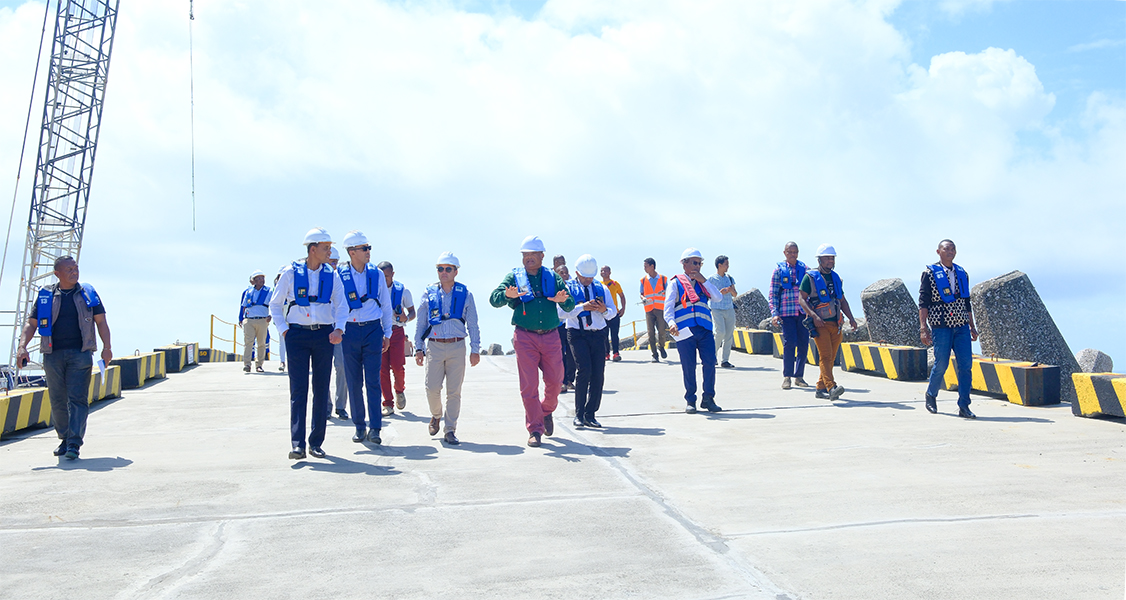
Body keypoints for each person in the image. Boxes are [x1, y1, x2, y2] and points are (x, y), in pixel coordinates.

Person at [17, 256, 112, 459]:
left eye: (76, 268)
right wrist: (22, 346)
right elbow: (32, 323)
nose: (74, 271)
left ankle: (74, 443)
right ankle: (64, 438)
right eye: (68, 269)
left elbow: (101, 322)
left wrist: (107, 348)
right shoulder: (46, 295)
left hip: (81, 354)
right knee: (57, 399)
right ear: (57, 273)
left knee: (77, 399)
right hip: (52, 355)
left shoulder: (87, 293)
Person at [268, 227, 348, 460]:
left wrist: (339, 329)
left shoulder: (331, 275)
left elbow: (341, 305)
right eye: (325, 248)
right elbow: (275, 304)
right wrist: (284, 332)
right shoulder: (290, 273)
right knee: (298, 390)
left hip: (324, 335)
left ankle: (316, 442)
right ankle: (297, 444)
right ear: (312, 250)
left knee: (321, 388)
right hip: (297, 336)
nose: (329, 252)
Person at [490, 235, 574, 448]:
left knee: (556, 382)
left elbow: (570, 303)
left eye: (532, 255)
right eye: (525, 255)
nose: (528, 258)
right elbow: (494, 298)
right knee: (529, 386)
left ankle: (546, 411)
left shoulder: (552, 277)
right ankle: (535, 429)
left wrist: (564, 300)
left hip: (551, 336)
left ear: (542, 256)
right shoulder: (514, 276)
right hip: (525, 336)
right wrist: (507, 296)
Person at [414, 252, 481, 445]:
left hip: (457, 345)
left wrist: (475, 349)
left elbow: (473, 324)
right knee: (432, 388)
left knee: (454, 391)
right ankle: (436, 415)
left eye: (448, 269)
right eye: (440, 269)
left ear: (456, 272)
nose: (443, 272)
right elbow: (421, 323)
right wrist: (419, 347)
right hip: (434, 346)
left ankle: (450, 429)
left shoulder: (466, 294)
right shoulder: (428, 293)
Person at [338, 231, 393, 444]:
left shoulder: (377, 274)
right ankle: (359, 426)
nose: (369, 252)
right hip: (349, 331)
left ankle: (375, 428)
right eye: (364, 249)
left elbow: (386, 305)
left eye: (369, 248)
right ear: (352, 252)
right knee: (354, 381)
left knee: (373, 380)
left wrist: (387, 333)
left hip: (372, 330)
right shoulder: (339, 276)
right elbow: (335, 305)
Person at [919, 239, 979, 419]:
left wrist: (972, 325)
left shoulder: (962, 273)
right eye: (946, 249)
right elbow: (923, 302)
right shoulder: (929, 273)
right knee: (942, 363)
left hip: (961, 325)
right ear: (938, 252)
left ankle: (964, 405)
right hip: (941, 324)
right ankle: (931, 394)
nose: (950, 251)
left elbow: (967, 301)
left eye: (953, 248)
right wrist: (923, 328)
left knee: (966, 365)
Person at [560, 255, 617, 427]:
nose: (588, 280)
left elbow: (613, 312)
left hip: (598, 334)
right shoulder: (567, 288)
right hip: (577, 333)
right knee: (584, 370)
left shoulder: (602, 288)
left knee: (598, 373)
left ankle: (590, 413)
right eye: (585, 277)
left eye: (591, 277)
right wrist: (581, 308)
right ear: (577, 273)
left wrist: (604, 310)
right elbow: (561, 313)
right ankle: (578, 414)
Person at [797, 244, 858, 401]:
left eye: (832, 258)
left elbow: (842, 300)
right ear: (819, 260)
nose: (831, 261)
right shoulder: (809, 278)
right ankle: (832, 387)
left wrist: (851, 318)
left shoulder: (836, 277)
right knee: (825, 356)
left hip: (836, 323)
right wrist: (813, 316)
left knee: (830, 358)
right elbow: (801, 299)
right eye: (827, 258)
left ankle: (820, 388)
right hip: (820, 324)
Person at [665, 248, 723, 413]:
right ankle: (691, 400)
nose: (698, 266)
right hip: (685, 331)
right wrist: (671, 322)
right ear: (684, 264)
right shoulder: (675, 283)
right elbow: (668, 307)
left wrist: (703, 280)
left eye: (700, 263)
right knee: (689, 366)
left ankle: (709, 398)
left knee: (710, 362)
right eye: (694, 263)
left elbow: (718, 297)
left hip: (704, 330)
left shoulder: (704, 283)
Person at [769, 242, 810, 390]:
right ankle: (787, 376)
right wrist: (775, 314)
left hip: (803, 312)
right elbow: (773, 294)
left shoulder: (805, 270)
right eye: (790, 252)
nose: (793, 255)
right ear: (784, 253)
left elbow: (812, 290)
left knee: (804, 344)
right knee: (789, 343)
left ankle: (799, 376)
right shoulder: (779, 271)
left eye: (795, 252)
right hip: (787, 312)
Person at [378, 260, 416, 417]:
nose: (384, 279)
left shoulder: (403, 291)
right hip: (379, 333)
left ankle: (400, 390)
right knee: (382, 370)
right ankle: (388, 403)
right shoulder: (374, 290)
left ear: (392, 275)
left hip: (397, 332)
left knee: (398, 367)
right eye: (381, 276)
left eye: (386, 276)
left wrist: (405, 318)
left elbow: (413, 312)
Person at [327, 247, 349, 419]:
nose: (332, 265)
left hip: (339, 329)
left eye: (334, 262)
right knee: (323, 369)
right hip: (322, 328)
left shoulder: (343, 281)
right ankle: (325, 405)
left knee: (341, 367)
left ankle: (340, 405)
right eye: (330, 262)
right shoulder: (317, 277)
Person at [707, 256, 738, 369]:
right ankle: (712, 357)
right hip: (717, 309)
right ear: (719, 265)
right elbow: (708, 295)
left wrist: (730, 290)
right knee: (720, 332)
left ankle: (725, 360)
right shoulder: (711, 279)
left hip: (729, 308)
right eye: (726, 264)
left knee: (729, 335)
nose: (728, 266)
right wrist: (720, 293)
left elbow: (735, 294)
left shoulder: (729, 278)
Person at [239, 270, 272, 373]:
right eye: (259, 278)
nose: (261, 280)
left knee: (261, 343)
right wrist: (241, 318)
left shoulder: (269, 291)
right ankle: (247, 364)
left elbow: (275, 304)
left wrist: (271, 316)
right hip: (249, 320)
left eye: (262, 278)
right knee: (248, 343)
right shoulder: (248, 291)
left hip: (262, 319)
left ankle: (259, 364)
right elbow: (243, 305)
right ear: (254, 281)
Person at [640, 258, 669, 363]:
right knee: (650, 332)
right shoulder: (643, 280)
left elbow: (668, 292)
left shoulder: (663, 279)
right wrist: (643, 298)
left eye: (646, 266)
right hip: (648, 309)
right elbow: (641, 293)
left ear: (652, 266)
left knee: (661, 330)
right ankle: (654, 355)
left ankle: (661, 346)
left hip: (660, 309)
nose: (644, 268)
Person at [555, 264, 575, 392]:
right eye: (561, 273)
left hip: (570, 325)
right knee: (560, 354)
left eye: (566, 273)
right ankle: (561, 381)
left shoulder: (572, 287)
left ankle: (569, 380)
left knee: (572, 354)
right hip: (558, 325)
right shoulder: (553, 287)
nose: (564, 275)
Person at [601, 265, 626, 362]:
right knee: (604, 334)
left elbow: (622, 296)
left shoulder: (615, 284)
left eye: (605, 271)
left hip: (615, 313)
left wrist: (623, 308)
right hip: (603, 313)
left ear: (610, 272)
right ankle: (606, 353)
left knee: (614, 334)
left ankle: (616, 353)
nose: (603, 272)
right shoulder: (598, 284)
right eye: (602, 271)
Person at [273, 267, 287, 372]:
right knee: (282, 340)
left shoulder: (292, 284)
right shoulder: (275, 289)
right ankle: (282, 361)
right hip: (282, 315)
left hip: (292, 315)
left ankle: (292, 361)